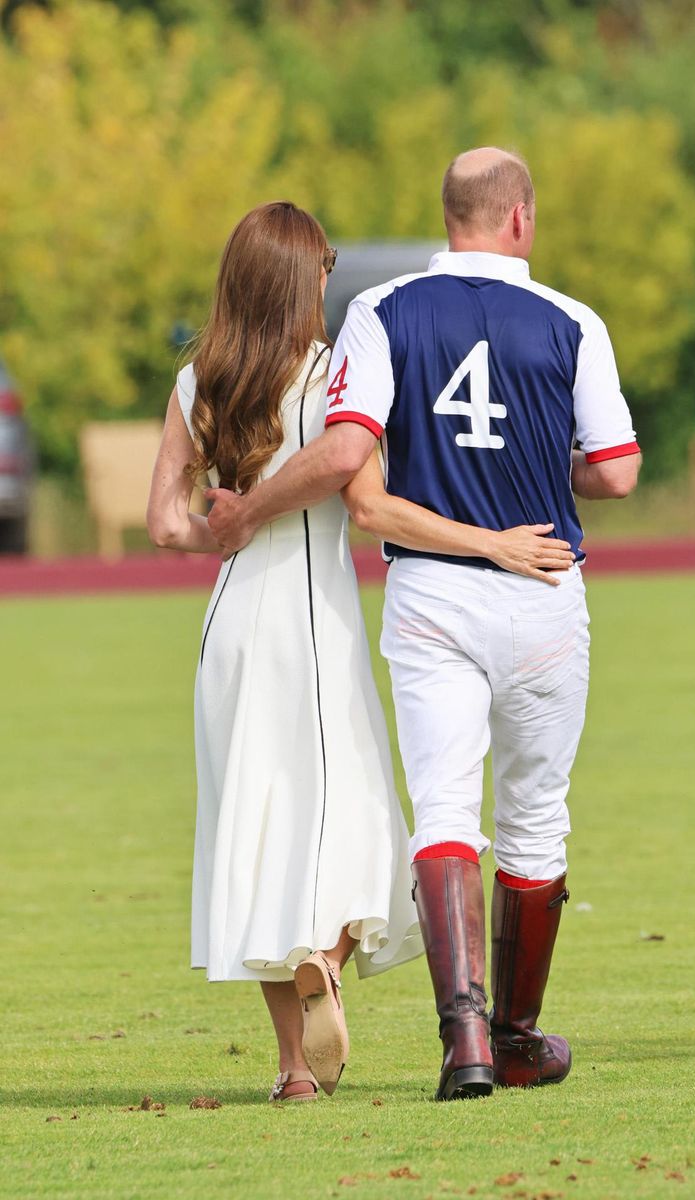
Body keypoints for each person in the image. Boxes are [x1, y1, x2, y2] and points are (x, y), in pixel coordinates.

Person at [205, 150, 642, 1102]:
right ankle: (518, 1035)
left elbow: (353, 447)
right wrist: (535, 465)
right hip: (545, 588)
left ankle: (466, 1044)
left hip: (434, 594)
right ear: (520, 219)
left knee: (444, 812)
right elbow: (615, 470)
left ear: (449, 216)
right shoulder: (575, 320)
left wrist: (246, 509)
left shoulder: (382, 311)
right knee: (534, 821)